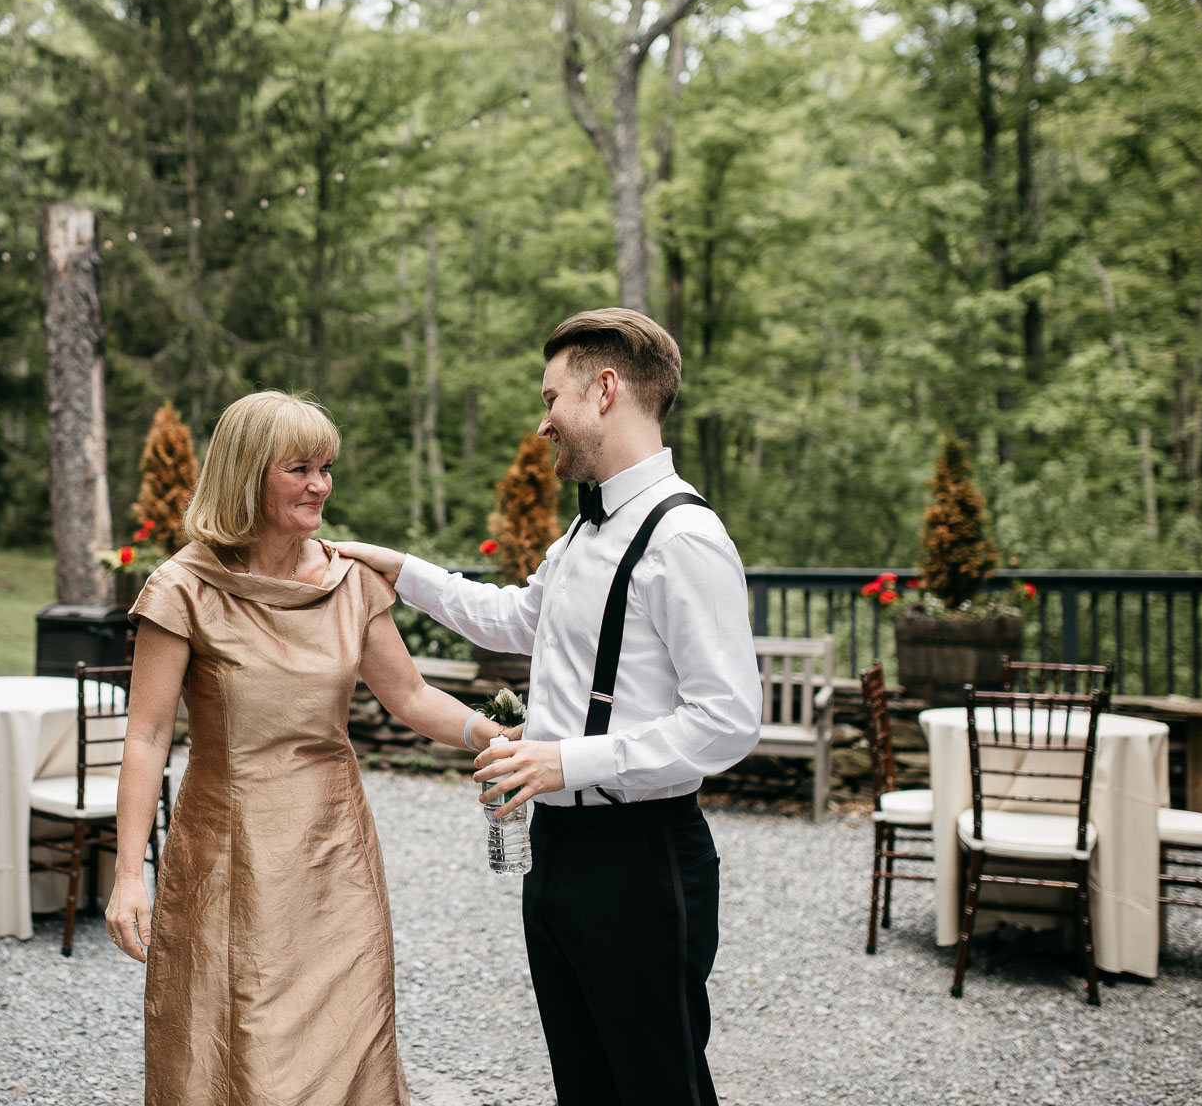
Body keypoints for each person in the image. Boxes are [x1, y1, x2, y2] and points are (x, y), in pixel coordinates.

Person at [337, 307, 761, 1106]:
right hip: (558, 850)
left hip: (640, 858)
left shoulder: (684, 538)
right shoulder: (582, 533)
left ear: (606, 391)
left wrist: (566, 760)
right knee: (585, 1085)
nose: (542, 423)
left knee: (659, 1088)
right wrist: (403, 571)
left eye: (551, 398)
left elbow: (728, 720)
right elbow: (516, 619)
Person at [104, 390, 513, 1106]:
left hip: (335, 850)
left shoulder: (351, 582)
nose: (320, 485)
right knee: (232, 1031)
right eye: (299, 469)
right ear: (246, 475)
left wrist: (498, 737)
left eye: (326, 468)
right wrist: (129, 874)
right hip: (226, 849)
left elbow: (411, 695)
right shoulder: (183, 589)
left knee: (346, 1030)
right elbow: (146, 736)